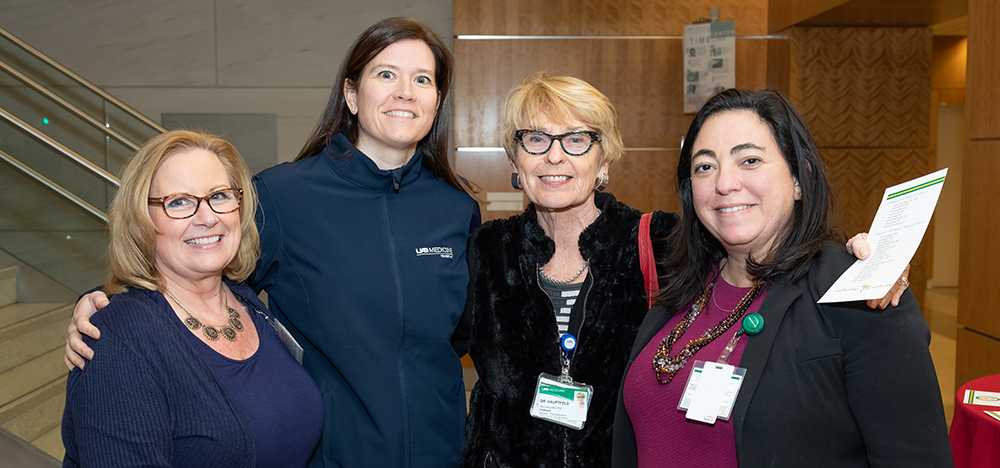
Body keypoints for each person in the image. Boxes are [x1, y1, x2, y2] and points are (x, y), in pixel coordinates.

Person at [64, 18, 480, 468]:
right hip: (330, 456)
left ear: (437, 101)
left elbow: (460, 334)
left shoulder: (456, 209)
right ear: (351, 94)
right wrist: (105, 304)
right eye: (386, 74)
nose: (405, 91)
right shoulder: (284, 196)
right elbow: (195, 257)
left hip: (443, 453)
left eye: (422, 79)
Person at [458, 74, 901, 467]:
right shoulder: (485, 249)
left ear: (605, 160)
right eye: (535, 139)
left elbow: (763, 254)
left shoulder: (664, 241)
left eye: (577, 139)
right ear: (515, 159)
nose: (555, 156)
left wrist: (852, 262)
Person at [611, 88, 952, 467]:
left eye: (750, 160)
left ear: (799, 179)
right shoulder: (681, 287)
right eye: (705, 166)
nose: (724, 183)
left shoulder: (859, 291)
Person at [60, 130, 323, 467]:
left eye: (220, 196)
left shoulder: (245, 300)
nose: (208, 217)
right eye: (179, 202)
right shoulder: (117, 340)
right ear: (142, 219)